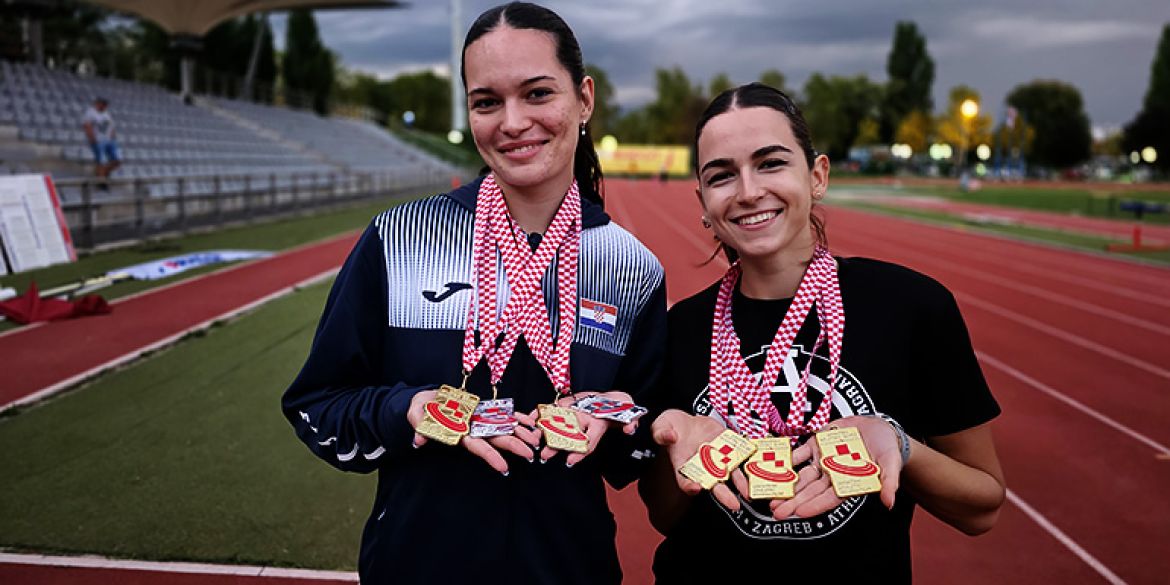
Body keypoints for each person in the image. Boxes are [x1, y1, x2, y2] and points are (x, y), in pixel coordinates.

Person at [281, 3, 666, 584]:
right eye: (487, 101)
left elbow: (643, 437)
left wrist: (613, 423)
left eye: (537, 93)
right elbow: (319, 402)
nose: (512, 122)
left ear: (583, 99)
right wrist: (404, 409)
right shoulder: (399, 238)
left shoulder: (632, 267)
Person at [638, 82, 1005, 583]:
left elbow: (982, 506)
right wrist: (684, 453)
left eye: (771, 163)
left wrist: (898, 445)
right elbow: (663, 516)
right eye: (723, 175)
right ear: (703, 202)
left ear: (817, 176)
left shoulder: (912, 308)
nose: (748, 192)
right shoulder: (680, 328)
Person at [81, 97, 121, 184]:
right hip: (98, 141)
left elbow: (112, 126)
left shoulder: (107, 114)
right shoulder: (90, 112)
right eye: (103, 104)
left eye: (105, 104)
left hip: (109, 140)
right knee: (101, 162)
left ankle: (102, 173)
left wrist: (113, 137)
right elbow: (87, 125)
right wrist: (93, 139)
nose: (105, 106)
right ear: (98, 104)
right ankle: (101, 181)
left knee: (117, 161)